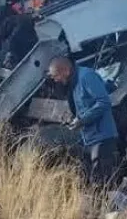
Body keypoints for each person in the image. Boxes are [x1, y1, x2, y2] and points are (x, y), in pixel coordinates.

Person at [47, 56, 121, 187]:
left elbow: (104, 102)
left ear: (65, 70)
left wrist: (82, 120)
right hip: (89, 139)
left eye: (55, 76)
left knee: (103, 184)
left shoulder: (87, 76)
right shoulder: (73, 83)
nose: (55, 80)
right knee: (92, 183)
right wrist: (74, 120)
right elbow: (85, 108)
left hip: (102, 138)